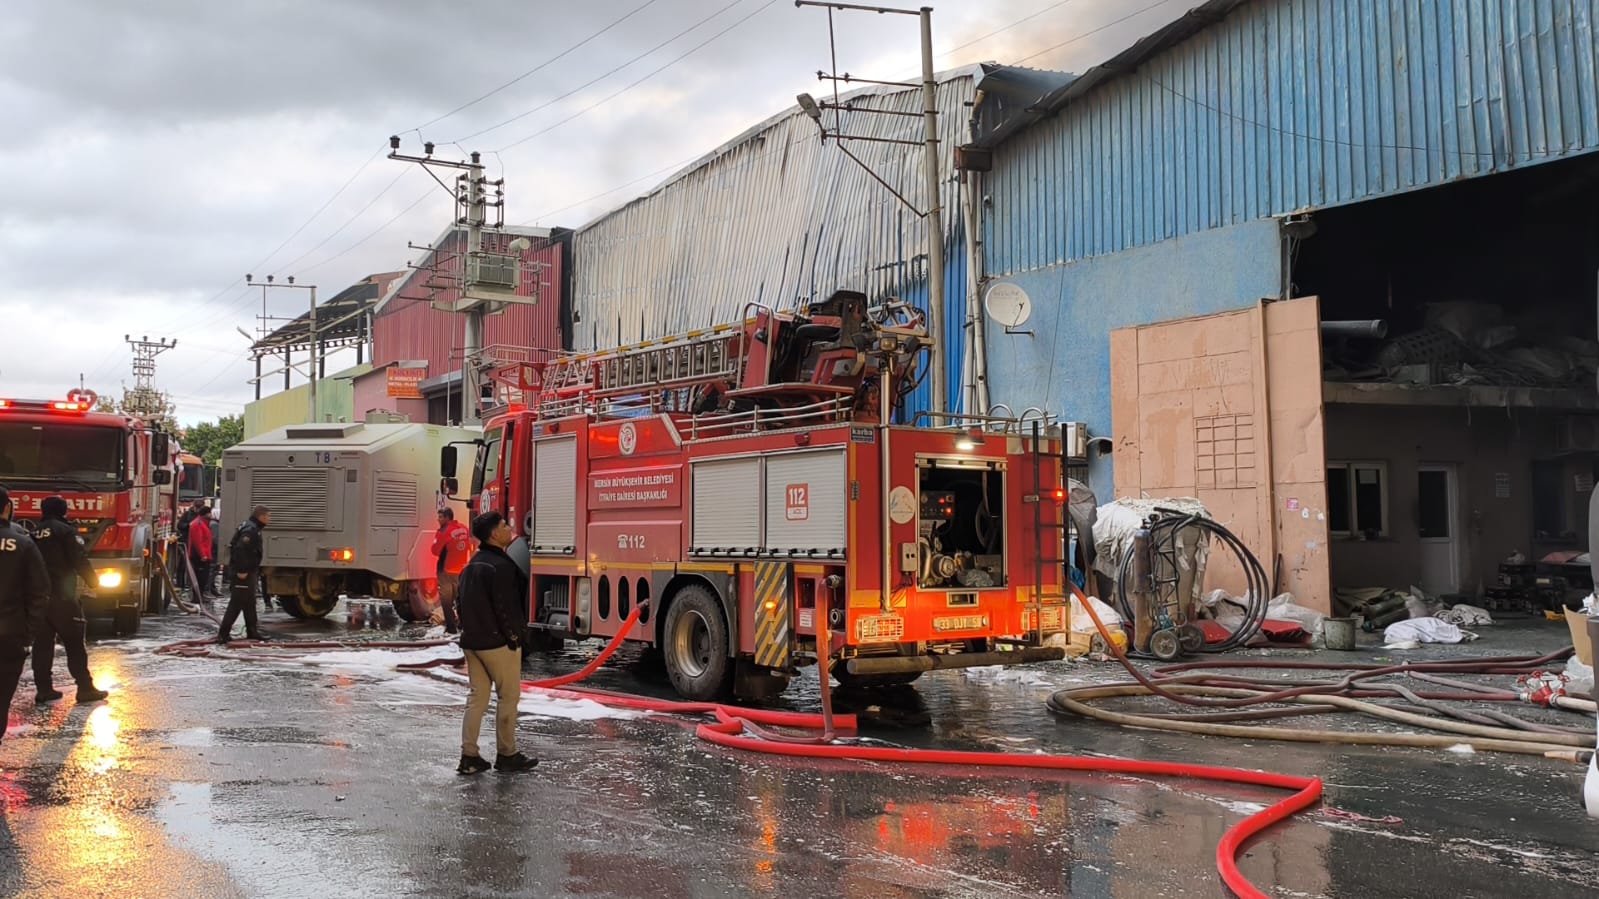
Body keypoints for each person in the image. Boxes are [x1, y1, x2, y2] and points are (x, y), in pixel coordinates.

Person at [454, 511, 537, 775]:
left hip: (472, 642)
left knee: (477, 698)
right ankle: (507, 754)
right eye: (503, 525)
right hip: (497, 644)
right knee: (508, 697)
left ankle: (469, 756)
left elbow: (460, 603)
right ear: (493, 534)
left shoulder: (472, 564)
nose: (509, 527)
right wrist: (515, 637)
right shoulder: (502, 566)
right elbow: (506, 608)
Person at [30, 496, 110, 704]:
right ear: (63, 511)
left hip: (38, 598)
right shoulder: (66, 531)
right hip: (63, 597)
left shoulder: (33, 533)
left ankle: (44, 689)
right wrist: (94, 582)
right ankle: (85, 688)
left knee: (42, 645)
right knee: (74, 643)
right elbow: (78, 559)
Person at [0, 486, 50, 745]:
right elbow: (39, 593)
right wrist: (28, 634)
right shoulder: (23, 543)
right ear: (8, 508)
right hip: (10, 635)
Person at [217, 505, 270, 643]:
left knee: (249, 603)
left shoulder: (252, 527)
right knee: (236, 603)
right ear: (261, 516)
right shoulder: (250, 530)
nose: (269, 519)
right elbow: (240, 550)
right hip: (243, 573)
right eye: (268, 516)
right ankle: (223, 633)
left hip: (249, 571)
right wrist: (242, 571)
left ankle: (252, 631)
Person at [430, 508, 471, 634]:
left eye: (441, 517)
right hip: (461, 570)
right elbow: (469, 546)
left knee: (446, 601)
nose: (438, 519)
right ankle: (464, 625)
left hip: (446, 571)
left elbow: (435, 550)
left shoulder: (444, 531)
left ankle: (451, 628)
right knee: (460, 599)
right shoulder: (464, 528)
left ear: (448, 517)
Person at [187, 505, 215, 600]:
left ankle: (200, 596)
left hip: (204, 555)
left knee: (203, 577)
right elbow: (197, 541)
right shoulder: (198, 524)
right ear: (207, 513)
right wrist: (202, 555)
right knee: (200, 577)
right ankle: (197, 597)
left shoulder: (202, 523)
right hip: (199, 556)